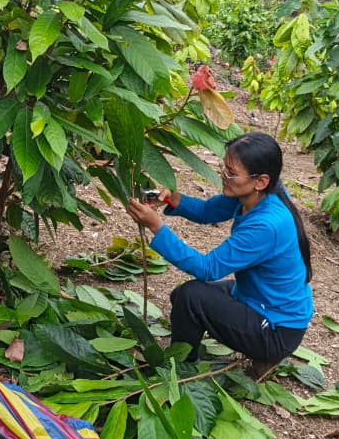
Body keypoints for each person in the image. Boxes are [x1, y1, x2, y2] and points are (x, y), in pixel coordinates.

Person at [124, 131, 313, 369]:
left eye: (231, 173)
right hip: (261, 299)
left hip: (276, 329)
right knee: (181, 298)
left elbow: (207, 268)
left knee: (190, 298)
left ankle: (182, 369)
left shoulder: (266, 225)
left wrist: (156, 227)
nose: (223, 175)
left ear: (261, 181)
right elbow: (208, 211)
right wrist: (174, 199)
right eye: (224, 167)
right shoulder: (253, 194)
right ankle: (188, 355)